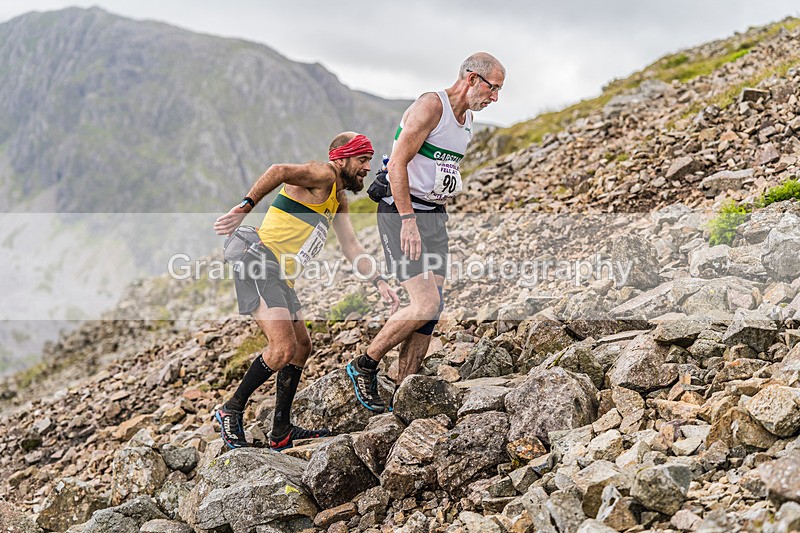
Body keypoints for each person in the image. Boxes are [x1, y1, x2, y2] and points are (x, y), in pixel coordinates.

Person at [213, 132, 400, 449]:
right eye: (362, 160)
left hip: (281, 275)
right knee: (283, 348)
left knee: (301, 347)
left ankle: (281, 430)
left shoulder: (337, 198)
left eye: (369, 160)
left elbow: (351, 246)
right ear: (341, 158)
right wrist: (245, 206)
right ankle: (230, 410)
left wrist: (378, 279)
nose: (367, 167)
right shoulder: (323, 174)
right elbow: (279, 170)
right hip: (258, 262)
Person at [347, 52, 505, 413]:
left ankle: (405, 390)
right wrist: (407, 220)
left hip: (434, 213)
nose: (495, 97)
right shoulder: (431, 106)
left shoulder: (466, 120)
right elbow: (398, 162)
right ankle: (365, 365)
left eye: (499, 90)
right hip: (404, 212)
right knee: (424, 302)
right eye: (493, 88)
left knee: (432, 309)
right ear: (471, 78)